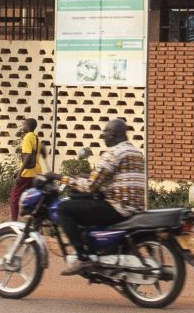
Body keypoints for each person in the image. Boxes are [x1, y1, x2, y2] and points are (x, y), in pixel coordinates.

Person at [54, 117, 145, 274]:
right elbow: (114, 178)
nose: (103, 137)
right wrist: (88, 176)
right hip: (134, 207)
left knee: (64, 208)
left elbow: (90, 186)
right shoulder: (136, 152)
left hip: (118, 208)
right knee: (81, 201)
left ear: (116, 134)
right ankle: (99, 247)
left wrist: (59, 178)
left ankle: (83, 258)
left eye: (106, 133)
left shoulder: (114, 153)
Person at [9, 116, 45, 220]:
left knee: (14, 198)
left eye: (24, 125)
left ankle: (13, 222)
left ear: (27, 127)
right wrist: (18, 170)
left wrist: (20, 174)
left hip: (27, 174)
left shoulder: (27, 137)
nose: (23, 127)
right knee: (34, 199)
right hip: (36, 172)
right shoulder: (36, 138)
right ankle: (37, 224)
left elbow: (28, 156)